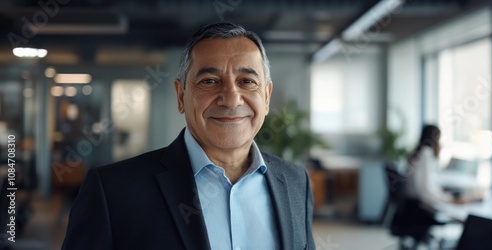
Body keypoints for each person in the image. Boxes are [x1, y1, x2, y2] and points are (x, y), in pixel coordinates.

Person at [62, 23, 315, 250]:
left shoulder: (295, 183)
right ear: (181, 96)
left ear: (267, 97)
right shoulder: (113, 191)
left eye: (247, 81)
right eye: (209, 81)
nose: (231, 99)